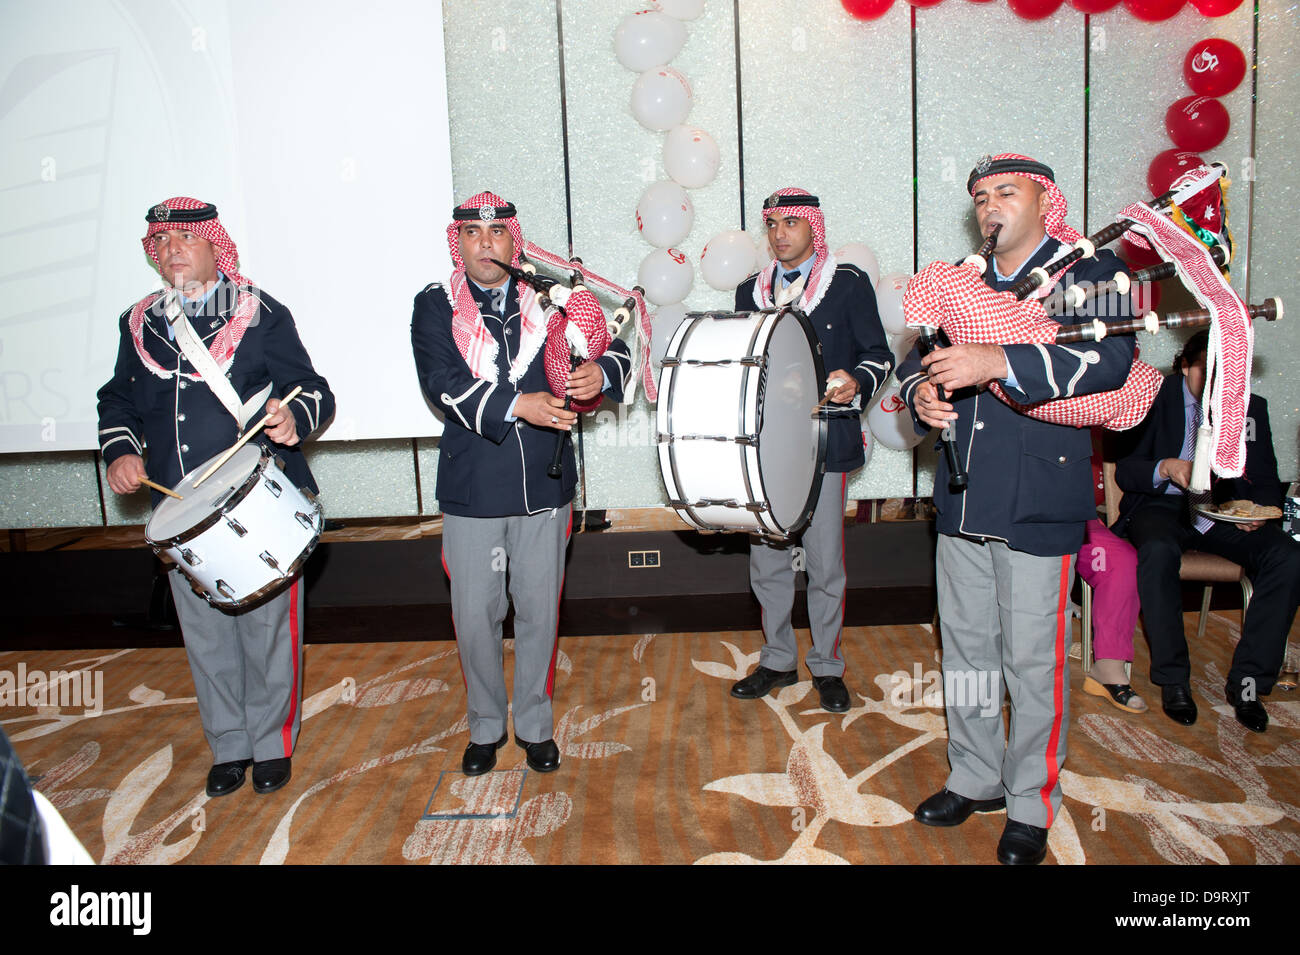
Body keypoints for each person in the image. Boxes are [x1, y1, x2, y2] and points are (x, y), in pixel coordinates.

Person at [898, 154, 1135, 864]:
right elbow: (920, 356)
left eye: (1006, 191)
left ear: (1044, 200)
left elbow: (1112, 366)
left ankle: (1031, 799)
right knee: (967, 651)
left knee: (1034, 662)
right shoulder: (965, 278)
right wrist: (919, 392)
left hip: (1040, 497)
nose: (989, 205)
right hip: (963, 495)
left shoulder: (1092, 272)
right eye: (979, 196)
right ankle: (975, 773)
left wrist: (998, 360)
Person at [97, 197, 334, 797]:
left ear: (212, 243)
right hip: (178, 508)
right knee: (205, 637)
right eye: (161, 242)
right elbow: (117, 401)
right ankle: (229, 745)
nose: (172, 250)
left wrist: (291, 416)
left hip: (251, 502)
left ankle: (271, 742)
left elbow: (312, 388)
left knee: (265, 631)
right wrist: (121, 451)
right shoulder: (140, 322)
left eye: (184, 239)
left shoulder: (258, 312)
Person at [411, 192, 631, 776]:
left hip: (546, 485)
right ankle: (485, 723)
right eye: (472, 234)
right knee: (476, 614)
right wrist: (520, 405)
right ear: (457, 244)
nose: (486, 244)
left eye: (497, 233)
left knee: (538, 610)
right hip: (472, 489)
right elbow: (441, 382)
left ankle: (534, 723)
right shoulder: (435, 306)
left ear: (515, 240)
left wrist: (597, 374)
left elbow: (622, 350)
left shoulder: (552, 298)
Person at [728, 188, 893, 714]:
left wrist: (853, 380)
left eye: (791, 223)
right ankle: (777, 658)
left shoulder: (846, 284)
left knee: (825, 564)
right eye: (772, 224)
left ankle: (827, 665)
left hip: (827, 440)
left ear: (813, 227)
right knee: (768, 560)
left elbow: (879, 356)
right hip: (764, 448)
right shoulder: (747, 292)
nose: (780, 233)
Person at [1114, 330, 1300, 733]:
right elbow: (1127, 471)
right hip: (1164, 506)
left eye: (1224, 372)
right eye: (1205, 370)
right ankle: (1174, 680)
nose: (1215, 382)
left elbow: (1267, 480)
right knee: (1158, 550)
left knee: (1288, 556)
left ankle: (1248, 684)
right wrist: (1164, 466)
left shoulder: (1249, 409)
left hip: (1224, 513)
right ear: (1184, 365)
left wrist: (1261, 512)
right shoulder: (1153, 398)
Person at [1077, 431, 1147, 714]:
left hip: (1076, 517)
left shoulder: (1103, 410)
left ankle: (1107, 667)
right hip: (1006, 514)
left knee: (1121, 560)